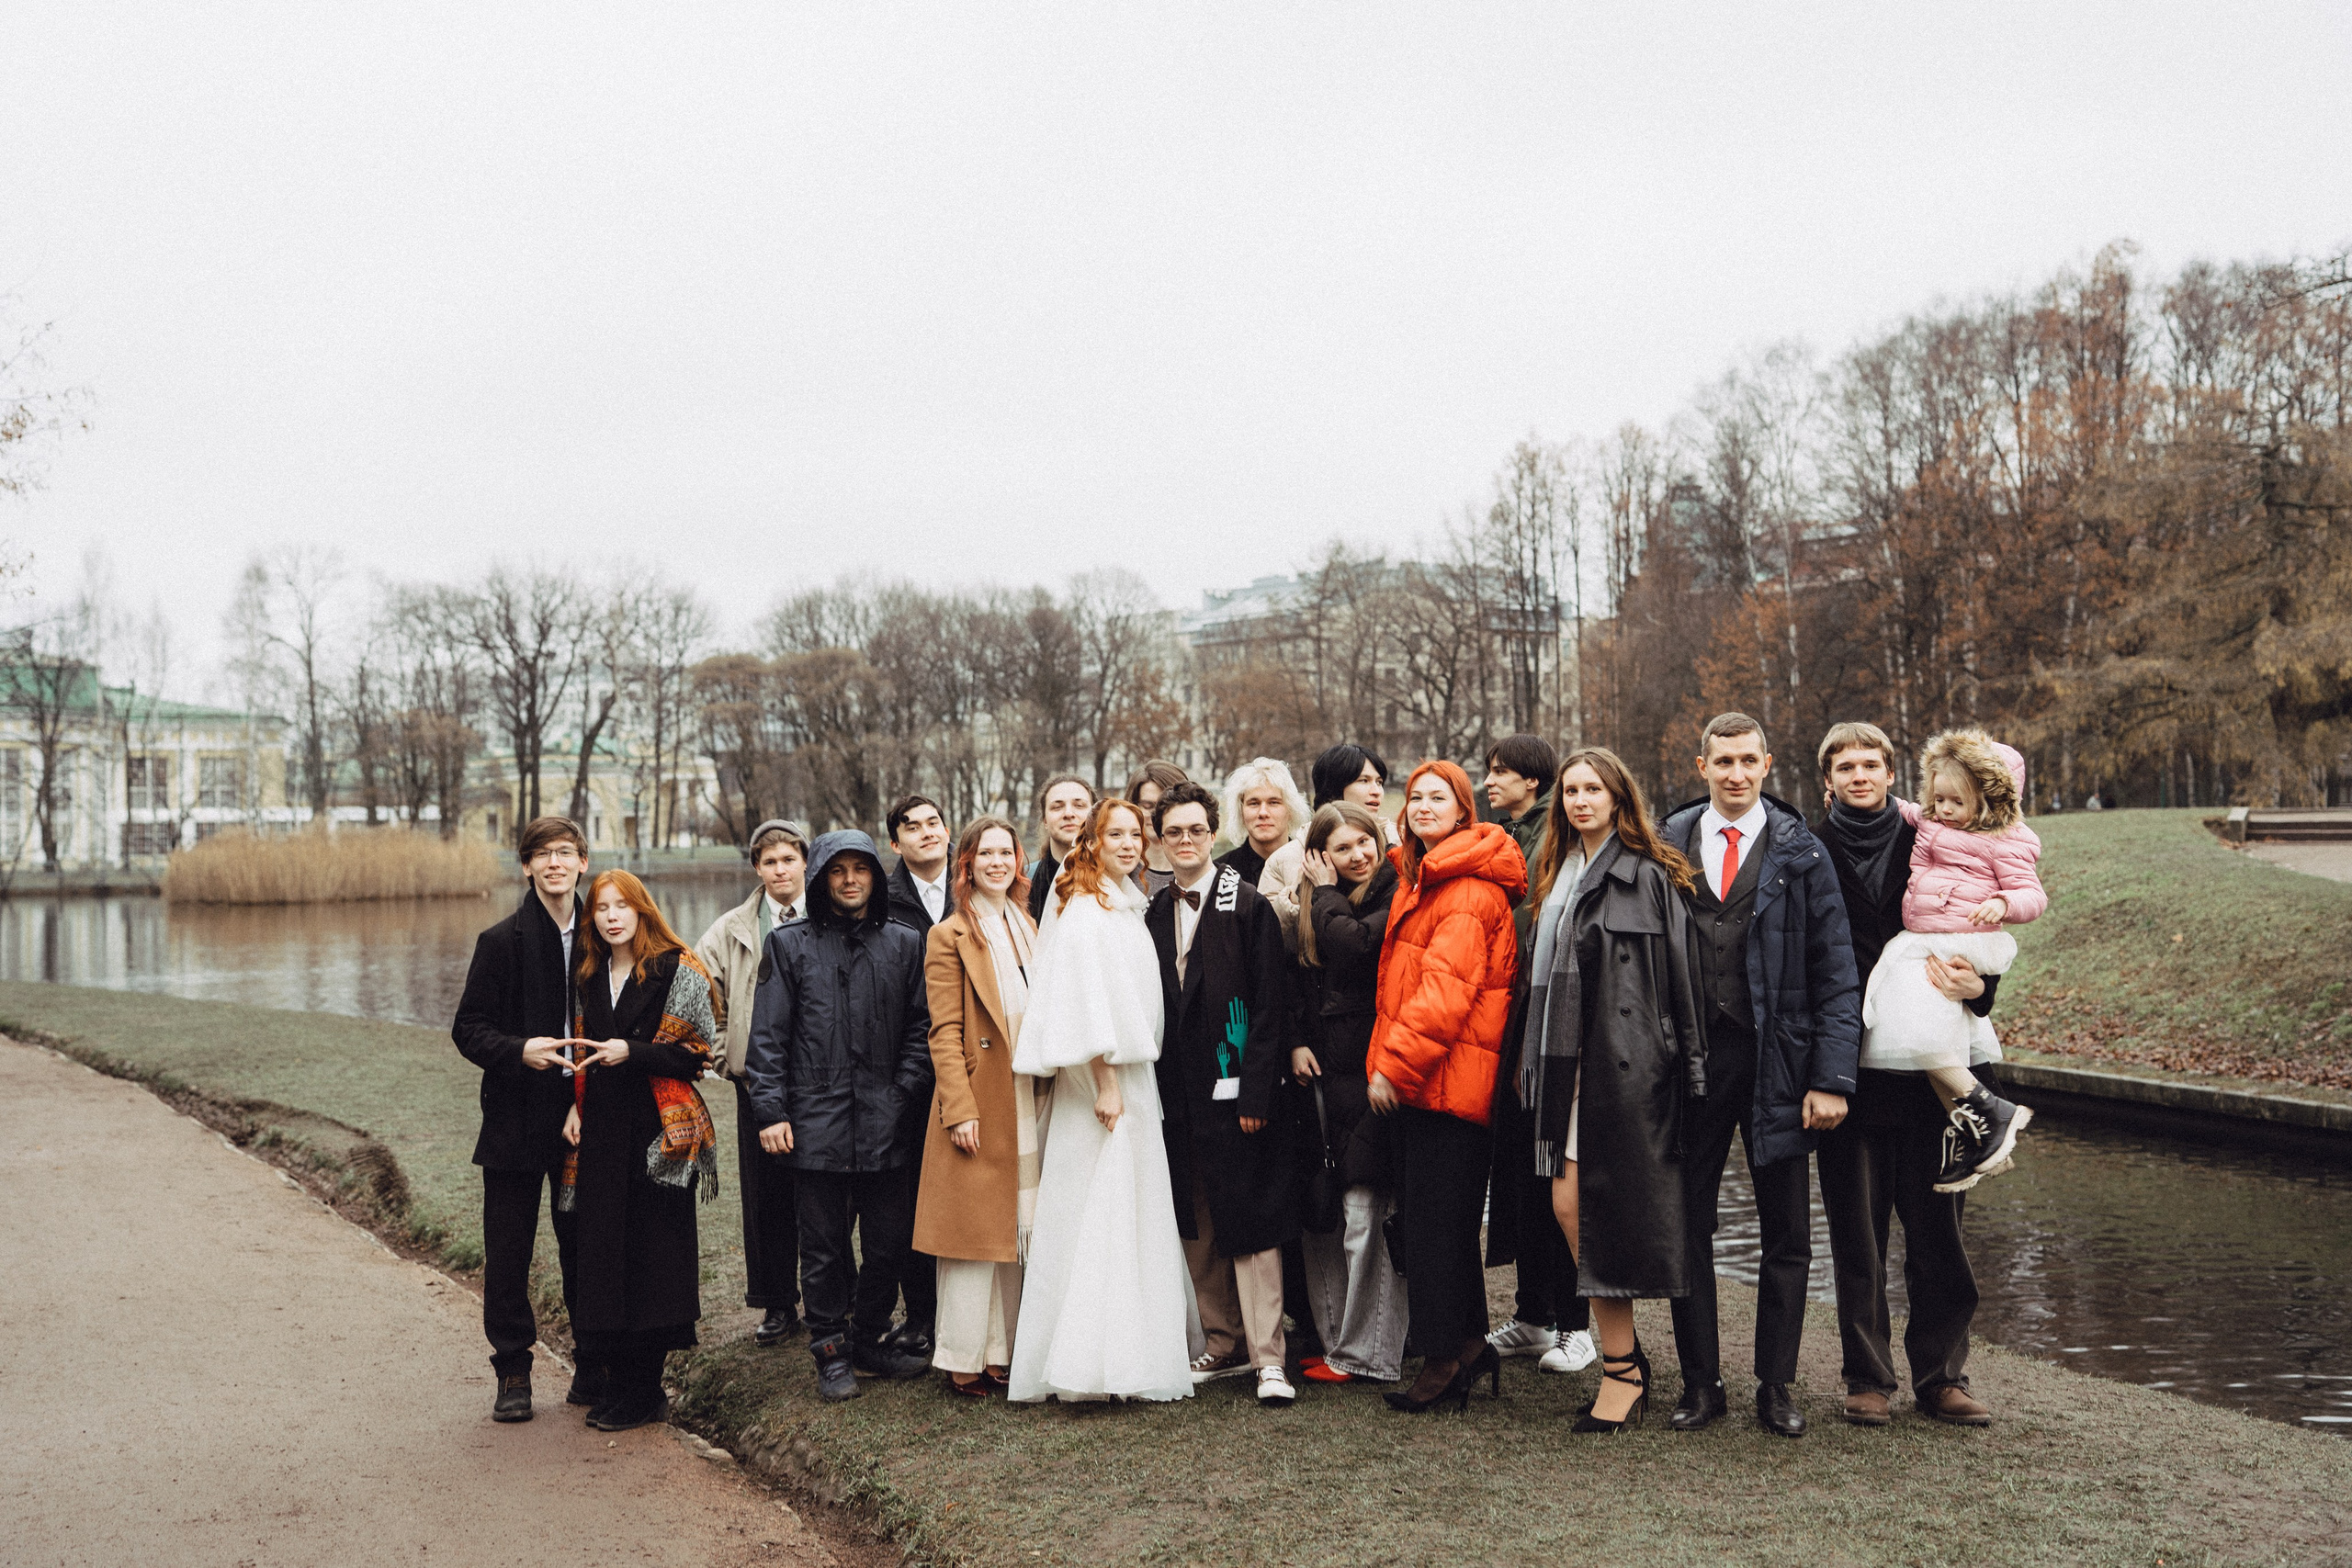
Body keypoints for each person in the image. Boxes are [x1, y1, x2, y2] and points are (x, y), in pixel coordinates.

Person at [1659, 713, 1861, 1438]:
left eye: (1749, 760)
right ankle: (1700, 1382)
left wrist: (1832, 1077)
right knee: (1688, 1223)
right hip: (1691, 1067)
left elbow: (1837, 972)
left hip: (1779, 1063)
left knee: (1786, 1231)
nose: (1736, 773)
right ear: (1702, 763)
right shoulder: (1667, 846)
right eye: (1724, 761)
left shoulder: (1802, 852)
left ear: (1768, 764)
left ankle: (1775, 1385)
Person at [1815, 721, 2003, 1428]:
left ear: (1893, 774)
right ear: (1827, 779)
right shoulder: (1809, 847)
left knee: (1940, 1237)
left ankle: (1942, 1375)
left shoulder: (1937, 836)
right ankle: (1868, 1377)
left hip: (1936, 1068)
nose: (1859, 774)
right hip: (1851, 1071)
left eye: (1872, 763)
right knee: (1857, 1238)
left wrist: (1978, 990)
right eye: (1845, 765)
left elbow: (1977, 931)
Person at [1517, 749, 1709, 1433]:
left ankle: (1624, 1370)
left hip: (1624, 1071)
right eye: (1570, 789)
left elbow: (1679, 981)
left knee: (1579, 1207)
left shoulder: (1648, 875)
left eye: (1592, 788)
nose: (1578, 799)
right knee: (1571, 1207)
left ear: (1619, 796)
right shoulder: (1559, 870)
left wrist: (1686, 1068)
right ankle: (1625, 1364)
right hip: (1569, 1067)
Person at [1006, 797, 1197, 1404]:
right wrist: (1108, 1083)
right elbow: (1084, 1002)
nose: (1130, 843)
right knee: (1101, 1209)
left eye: (1136, 834)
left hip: (1130, 1073)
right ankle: (1090, 1364)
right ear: (1089, 841)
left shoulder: (1120, 902)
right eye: (1115, 834)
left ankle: (1127, 1353)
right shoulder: (1086, 909)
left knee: (1125, 1206)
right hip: (1104, 1079)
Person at [746, 830, 935, 1401]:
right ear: (821, 878)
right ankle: (830, 1348)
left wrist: (900, 1093)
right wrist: (772, 1111)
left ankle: (868, 1335)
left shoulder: (905, 944)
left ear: (876, 878)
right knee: (824, 1245)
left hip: (886, 1121)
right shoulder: (790, 945)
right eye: (838, 870)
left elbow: (922, 1030)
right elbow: (768, 1038)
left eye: (861, 869)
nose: (850, 880)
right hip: (815, 1123)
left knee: (889, 1244)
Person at [1365, 760, 1526, 1414]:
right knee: (1446, 1225)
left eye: (1439, 798)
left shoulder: (1465, 890)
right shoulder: (1424, 878)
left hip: (1446, 1083)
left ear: (1465, 812)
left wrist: (1391, 1069)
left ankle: (1443, 1357)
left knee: (1436, 1226)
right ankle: (1466, 1344)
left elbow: (1442, 999)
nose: (1423, 806)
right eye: (1416, 797)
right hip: (1434, 1081)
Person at [1148, 780, 1302, 1408]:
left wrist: (1256, 1094)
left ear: (1213, 834)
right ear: (1160, 843)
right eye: (1173, 832)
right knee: (1199, 1216)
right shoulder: (1154, 912)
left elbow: (1270, 1006)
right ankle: (1222, 1339)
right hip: (1178, 1091)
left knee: (1251, 1217)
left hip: (1239, 1086)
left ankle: (1269, 1356)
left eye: (1195, 830)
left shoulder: (1247, 905)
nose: (1185, 841)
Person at [558, 870, 719, 1431]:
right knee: (605, 1255)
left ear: (642, 910)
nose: (610, 916)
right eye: (600, 908)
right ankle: (620, 1382)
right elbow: (579, 1050)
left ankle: (645, 1390)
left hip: (657, 1135)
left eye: (621, 906)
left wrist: (635, 1051)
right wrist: (575, 1104)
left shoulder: (677, 970)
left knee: (654, 1259)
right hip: (601, 1129)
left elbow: (698, 1057)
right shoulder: (587, 975)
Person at [1857, 728, 2045, 1191]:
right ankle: (1974, 1124)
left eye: (1955, 802)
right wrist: (1864, 793)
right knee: (1926, 1035)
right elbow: (1903, 808)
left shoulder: (2006, 838)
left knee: (1901, 1021)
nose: (1943, 810)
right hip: (1928, 938)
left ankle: (1993, 1109)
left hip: (1964, 939)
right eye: (1937, 798)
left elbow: (2032, 895)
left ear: (1986, 800)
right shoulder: (1932, 820)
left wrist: (2003, 902)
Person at [452, 814, 591, 1424]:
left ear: (583, 861)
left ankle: (594, 1361)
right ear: (528, 865)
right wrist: (519, 1050)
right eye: (543, 853)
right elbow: (468, 1028)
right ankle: (513, 1369)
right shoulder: (501, 940)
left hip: (582, 1120)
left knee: (584, 1246)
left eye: (566, 852)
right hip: (513, 1120)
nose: (555, 862)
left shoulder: (606, 934)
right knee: (508, 1251)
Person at [1476, 732, 1593, 1379]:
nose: (1491, 780)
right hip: (1511, 1027)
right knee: (1520, 1177)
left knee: (1557, 1182)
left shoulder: (1552, 844)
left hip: (1547, 1022)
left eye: (1503, 772)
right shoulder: (1503, 834)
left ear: (1533, 780)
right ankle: (1533, 1312)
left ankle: (1577, 1323)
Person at [913, 818, 1045, 1396]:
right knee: (973, 1235)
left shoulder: (1029, 924)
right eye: (984, 853)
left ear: (1019, 860)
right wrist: (958, 1109)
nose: (997, 862)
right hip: (981, 1094)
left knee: (1016, 1227)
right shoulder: (949, 935)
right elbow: (942, 1032)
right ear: (966, 864)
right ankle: (963, 1355)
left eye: (1006, 852)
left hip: (1031, 1090)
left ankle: (1005, 1351)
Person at [1289, 801, 1408, 1385]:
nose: (1357, 855)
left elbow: (1358, 947)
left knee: (1368, 1216)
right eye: (1341, 848)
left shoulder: (1398, 891)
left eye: (1365, 841)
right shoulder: (1317, 909)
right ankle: (1338, 1342)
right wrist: (1296, 1040)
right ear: (1321, 857)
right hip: (1327, 1081)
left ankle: (1374, 1352)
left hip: (1375, 1078)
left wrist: (1326, 891)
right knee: (1328, 1217)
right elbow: (1301, 982)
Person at [693, 818, 810, 1348]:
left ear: (804, 861)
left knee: (825, 1192)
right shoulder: (732, 928)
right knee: (766, 1197)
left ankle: (836, 1295)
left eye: (789, 859)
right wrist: (724, 1057)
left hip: (818, 1079)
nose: (780, 869)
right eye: (769, 862)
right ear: (757, 869)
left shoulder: (826, 914)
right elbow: (700, 992)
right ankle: (776, 1301)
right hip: (757, 1080)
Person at [882, 794, 954, 1357]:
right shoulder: (884, 900)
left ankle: (977, 1312)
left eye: (934, 822)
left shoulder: (979, 883)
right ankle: (922, 1313)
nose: (926, 832)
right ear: (896, 842)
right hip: (906, 1062)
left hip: (971, 1056)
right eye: (913, 826)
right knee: (911, 1193)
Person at [1259, 742, 1392, 949]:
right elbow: (1267, 942)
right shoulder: (1287, 858)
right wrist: (1296, 902)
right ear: (1334, 788)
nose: (1376, 791)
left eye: (1379, 782)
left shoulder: (1399, 847)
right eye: (1364, 781)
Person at [1215, 756, 1308, 888]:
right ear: (1241, 812)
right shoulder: (1219, 874)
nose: (1263, 812)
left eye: (1273, 802)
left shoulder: (1312, 865)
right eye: (1254, 803)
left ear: (1291, 809)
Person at [1026, 774, 1094, 924]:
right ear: (1045, 820)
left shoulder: (1117, 878)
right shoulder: (1024, 881)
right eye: (1057, 807)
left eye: (1079, 805)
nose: (1068, 814)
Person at [1125, 759, 1189, 897]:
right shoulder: (1119, 871)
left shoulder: (1198, 870)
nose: (1155, 815)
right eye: (1147, 806)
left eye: (1164, 806)